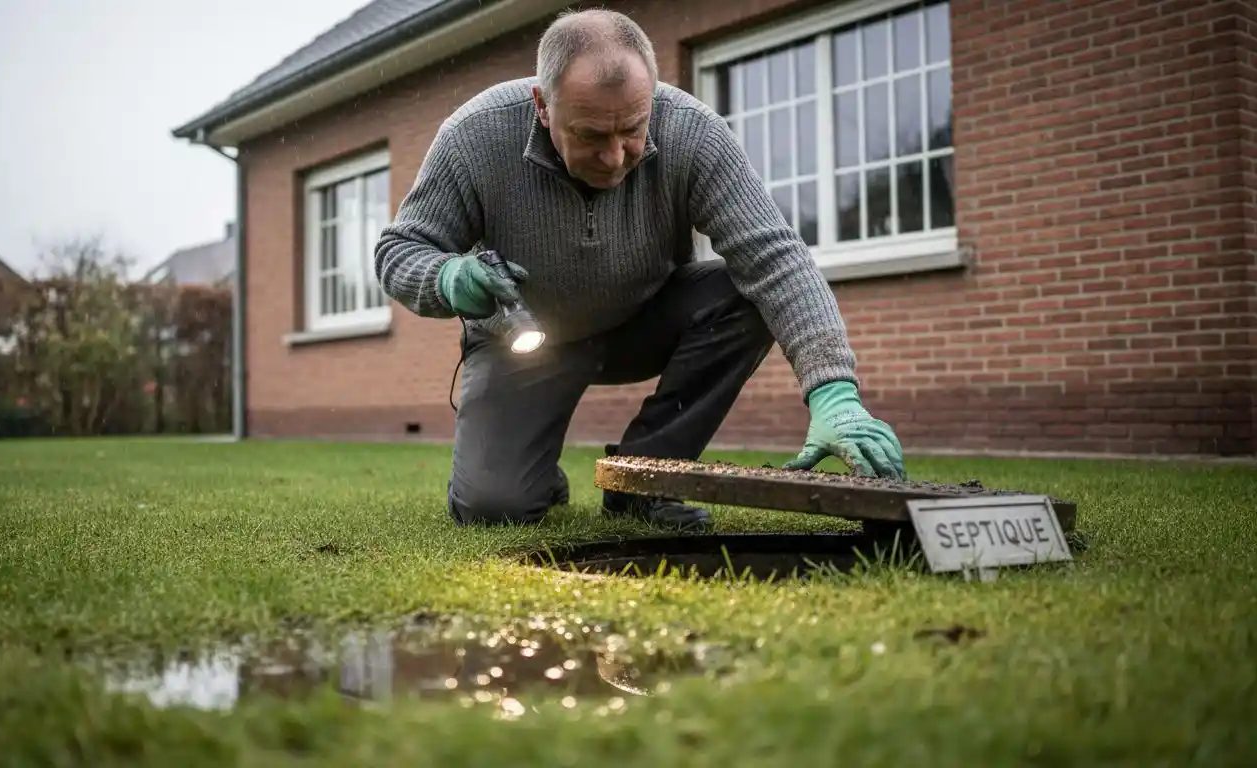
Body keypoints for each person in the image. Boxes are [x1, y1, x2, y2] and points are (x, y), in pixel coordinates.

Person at [374, 9, 905, 531]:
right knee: (495, 506)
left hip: (643, 321)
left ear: (651, 95)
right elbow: (399, 250)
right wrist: (449, 279)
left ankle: (646, 479)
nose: (615, 157)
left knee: (746, 295)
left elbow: (777, 258)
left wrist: (835, 391)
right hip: (524, 337)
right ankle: (531, 470)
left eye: (632, 129)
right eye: (589, 136)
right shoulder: (475, 137)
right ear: (541, 105)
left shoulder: (693, 133)